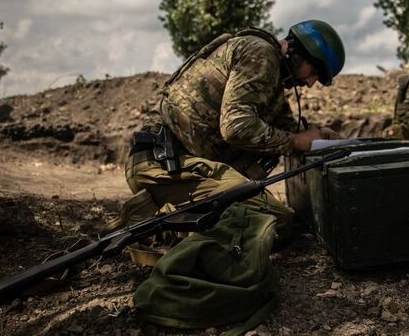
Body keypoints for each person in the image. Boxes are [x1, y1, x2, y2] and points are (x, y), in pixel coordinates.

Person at [108, 20, 345, 240]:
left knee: (268, 214)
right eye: (314, 72)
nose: (311, 83)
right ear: (298, 52)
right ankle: (169, 226)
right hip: (164, 165)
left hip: (179, 166)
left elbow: (281, 126)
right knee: (276, 221)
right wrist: (297, 141)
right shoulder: (261, 54)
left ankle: (177, 222)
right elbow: (235, 127)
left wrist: (317, 133)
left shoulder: (270, 79)